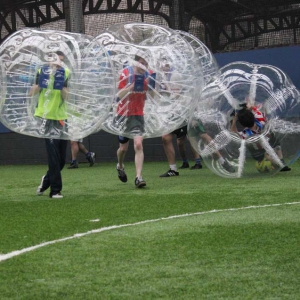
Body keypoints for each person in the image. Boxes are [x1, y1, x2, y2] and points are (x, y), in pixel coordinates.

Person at [30, 50, 70, 198]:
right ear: (49, 61)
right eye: (56, 60)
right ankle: (55, 190)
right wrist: (42, 83)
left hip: (61, 117)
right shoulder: (42, 71)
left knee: (60, 160)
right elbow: (32, 92)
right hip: (45, 117)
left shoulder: (66, 73)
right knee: (53, 155)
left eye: (61, 61)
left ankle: (46, 180)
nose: (58, 64)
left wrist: (61, 88)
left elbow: (68, 97)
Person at [115, 54, 155, 188]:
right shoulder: (125, 74)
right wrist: (131, 87)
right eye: (142, 63)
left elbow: (152, 96)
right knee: (123, 148)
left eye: (146, 64)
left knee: (138, 144)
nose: (144, 66)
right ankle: (120, 165)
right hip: (124, 114)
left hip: (138, 114)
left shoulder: (148, 76)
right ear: (136, 63)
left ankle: (138, 177)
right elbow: (118, 96)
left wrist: (151, 86)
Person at [231, 104, 291, 172]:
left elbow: (233, 131)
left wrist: (235, 119)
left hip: (257, 152)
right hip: (267, 144)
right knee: (275, 143)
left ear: (242, 124)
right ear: (252, 116)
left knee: (265, 154)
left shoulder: (246, 134)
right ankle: (280, 160)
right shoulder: (260, 119)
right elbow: (257, 109)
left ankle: (277, 163)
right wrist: (249, 109)